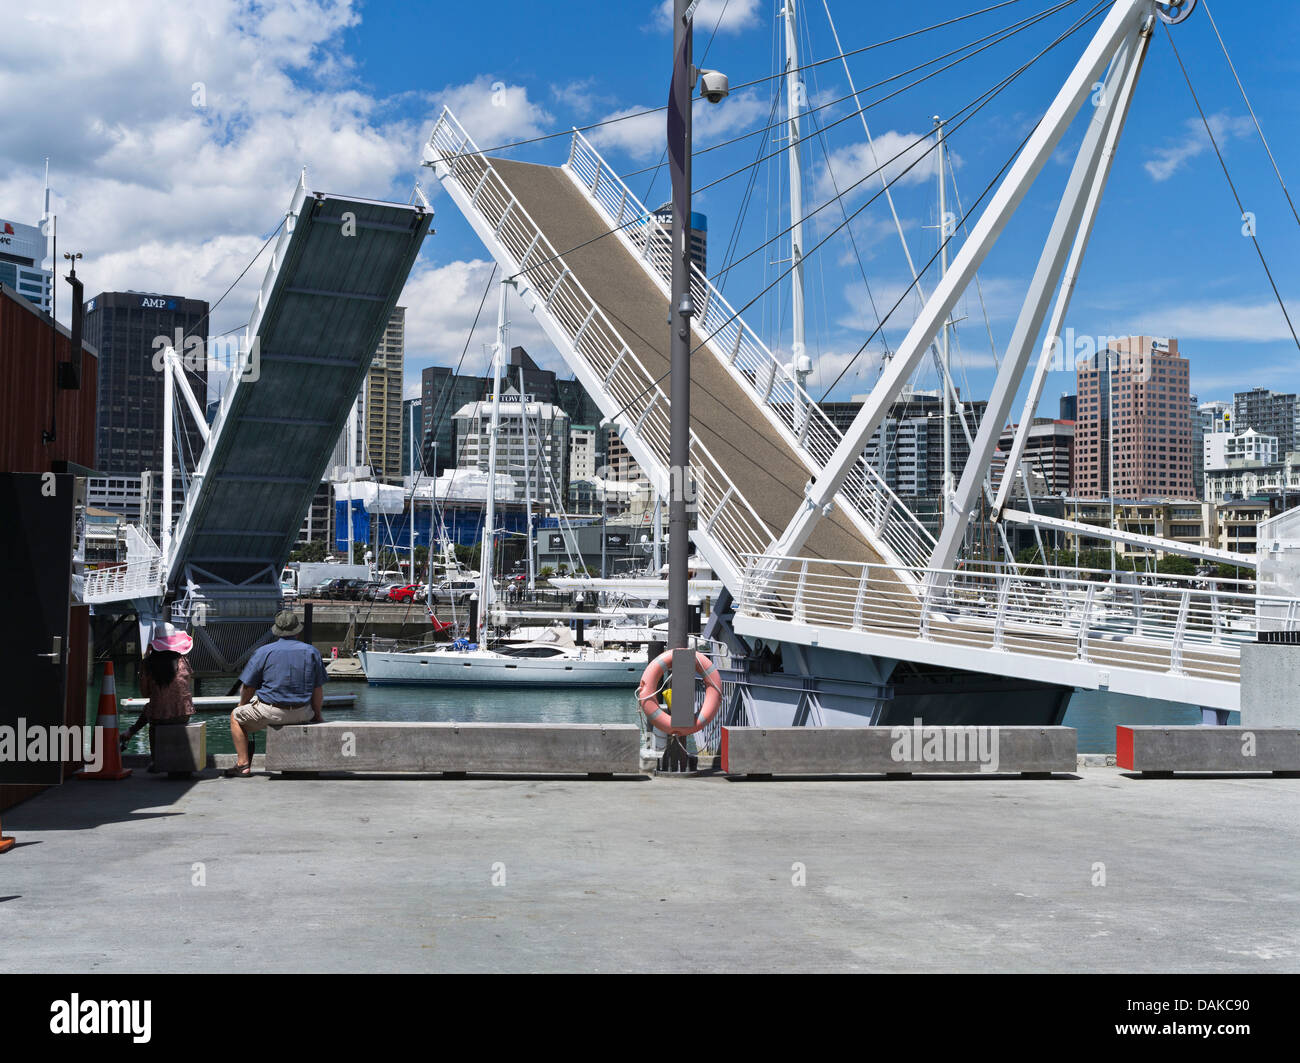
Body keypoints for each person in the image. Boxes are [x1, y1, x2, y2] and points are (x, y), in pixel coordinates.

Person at [226, 610, 325, 777]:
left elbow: (248, 687)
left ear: (276, 630)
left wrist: (241, 705)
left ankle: (243, 764)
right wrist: (317, 714)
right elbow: (317, 690)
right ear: (297, 631)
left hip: (271, 712)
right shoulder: (311, 652)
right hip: (303, 712)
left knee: (236, 716)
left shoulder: (264, 652)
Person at [122, 623, 196, 772]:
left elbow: (146, 693)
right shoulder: (183, 661)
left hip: (159, 717)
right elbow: (187, 683)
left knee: (152, 709)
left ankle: (156, 759)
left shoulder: (148, 664)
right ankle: (130, 733)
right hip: (183, 715)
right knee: (154, 707)